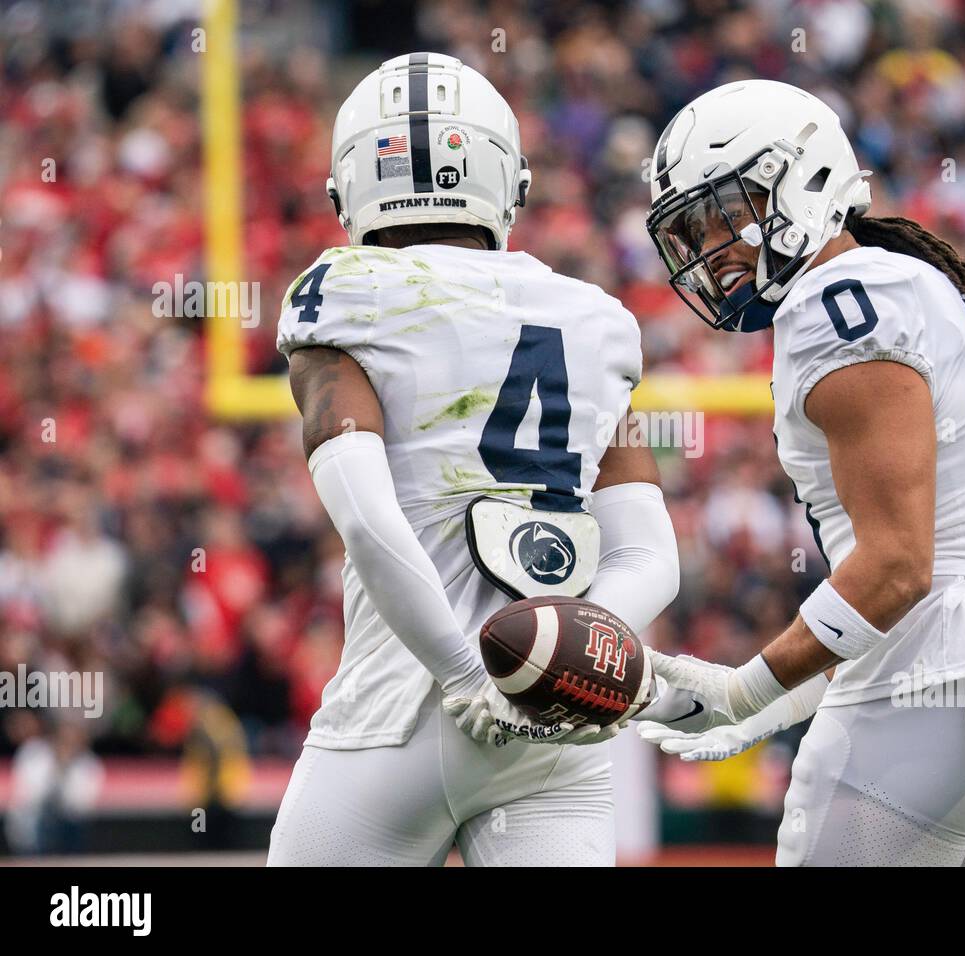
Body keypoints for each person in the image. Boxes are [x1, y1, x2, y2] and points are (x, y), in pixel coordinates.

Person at [637, 80, 965, 866]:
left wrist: (747, 689)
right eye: (696, 228)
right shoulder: (893, 283)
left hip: (940, 688)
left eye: (727, 212)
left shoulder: (839, 300)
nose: (716, 247)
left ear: (802, 180)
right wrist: (776, 702)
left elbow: (899, 569)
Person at [266, 53, 681, 866]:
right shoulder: (593, 318)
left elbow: (367, 518)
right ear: (506, 181)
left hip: (399, 711)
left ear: (350, 185)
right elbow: (649, 554)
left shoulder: (340, 293)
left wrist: (468, 676)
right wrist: (568, 654)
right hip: (552, 731)